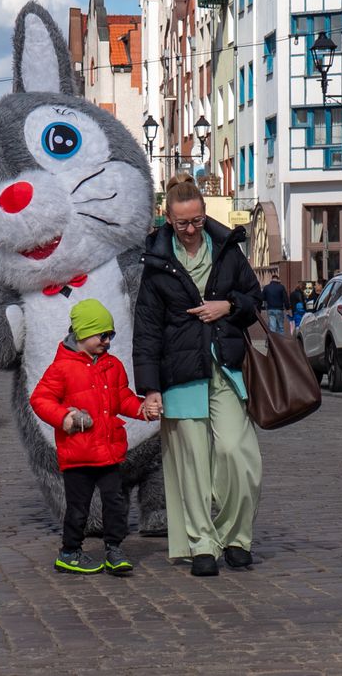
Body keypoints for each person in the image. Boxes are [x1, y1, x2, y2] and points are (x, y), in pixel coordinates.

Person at [133, 174, 265, 577]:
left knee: (238, 454)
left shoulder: (227, 249)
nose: (190, 230)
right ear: (167, 218)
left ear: (205, 215)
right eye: (182, 223)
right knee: (191, 465)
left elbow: (254, 297)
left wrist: (229, 306)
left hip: (224, 366)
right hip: (180, 373)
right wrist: (150, 389)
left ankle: (235, 537)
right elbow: (147, 329)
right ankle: (202, 543)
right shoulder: (157, 261)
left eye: (196, 221)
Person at [30, 298, 152, 576]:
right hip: (78, 454)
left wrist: (142, 409)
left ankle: (114, 549)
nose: (107, 341)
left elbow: (122, 398)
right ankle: (69, 552)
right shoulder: (62, 367)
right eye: (102, 335)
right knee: (78, 508)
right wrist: (64, 418)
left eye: (110, 335)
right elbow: (40, 399)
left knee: (115, 503)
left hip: (108, 452)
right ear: (83, 333)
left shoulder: (112, 365)